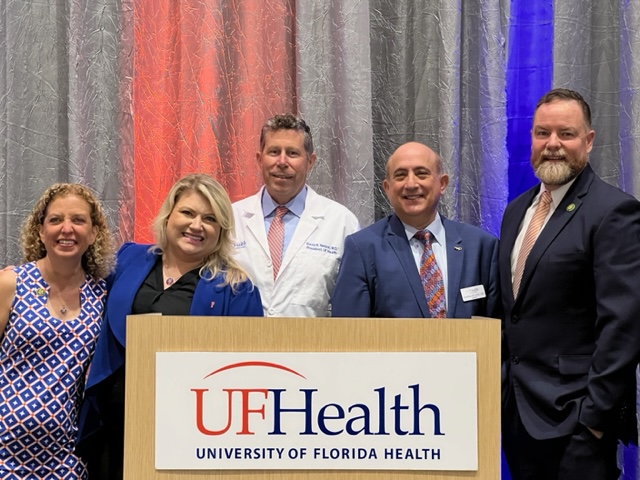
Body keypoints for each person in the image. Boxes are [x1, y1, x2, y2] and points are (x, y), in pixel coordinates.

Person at [78, 173, 263, 480]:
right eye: (187, 213)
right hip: (113, 424)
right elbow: (80, 290)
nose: (196, 225)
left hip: (186, 432)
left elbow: (247, 373)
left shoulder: (236, 288)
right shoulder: (128, 258)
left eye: (210, 219)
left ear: (221, 230)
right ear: (168, 216)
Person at [500, 88, 640, 479]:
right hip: (517, 420)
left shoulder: (613, 212)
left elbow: (623, 328)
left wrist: (594, 420)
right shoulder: (516, 211)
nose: (553, 144)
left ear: (588, 141)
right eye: (542, 133)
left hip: (577, 426)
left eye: (566, 133)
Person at [0, 183, 115, 478]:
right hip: (4, 456)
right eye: (55, 220)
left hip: (65, 459)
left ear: (94, 233)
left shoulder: (103, 295)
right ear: (40, 231)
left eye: (78, 220)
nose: (67, 229)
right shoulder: (11, 283)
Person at [331, 141, 500, 318]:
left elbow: (498, 328)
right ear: (387, 188)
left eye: (421, 173)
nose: (411, 184)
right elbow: (349, 329)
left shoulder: (481, 247)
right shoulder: (362, 249)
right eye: (400, 175)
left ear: (442, 183)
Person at [232, 113, 359, 317]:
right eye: (274, 152)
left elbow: (351, 305)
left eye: (292, 153)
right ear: (259, 159)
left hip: (311, 338)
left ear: (310, 161)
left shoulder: (342, 222)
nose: (282, 162)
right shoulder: (230, 219)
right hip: (239, 337)